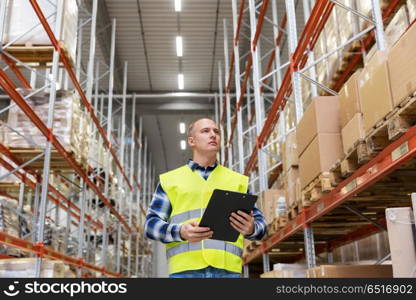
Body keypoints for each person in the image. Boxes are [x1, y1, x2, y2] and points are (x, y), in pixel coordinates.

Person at [145, 118, 267, 278]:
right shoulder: (170, 181)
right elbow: (151, 225)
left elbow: (261, 227)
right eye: (205, 131)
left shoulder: (237, 181)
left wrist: (251, 228)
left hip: (228, 272)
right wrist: (180, 231)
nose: (213, 135)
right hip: (185, 272)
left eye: (216, 132)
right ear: (191, 141)